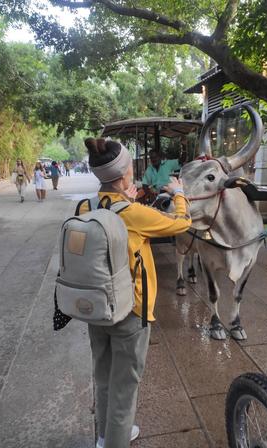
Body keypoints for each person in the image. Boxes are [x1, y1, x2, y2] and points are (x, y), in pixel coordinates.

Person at [82, 137, 191, 448]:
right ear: (125, 176)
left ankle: (105, 436)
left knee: (103, 377)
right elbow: (182, 223)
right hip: (130, 310)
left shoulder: (85, 206)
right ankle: (115, 442)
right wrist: (179, 194)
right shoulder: (133, 214)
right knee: (125, 384)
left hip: (95, 306)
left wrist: (126, 201)